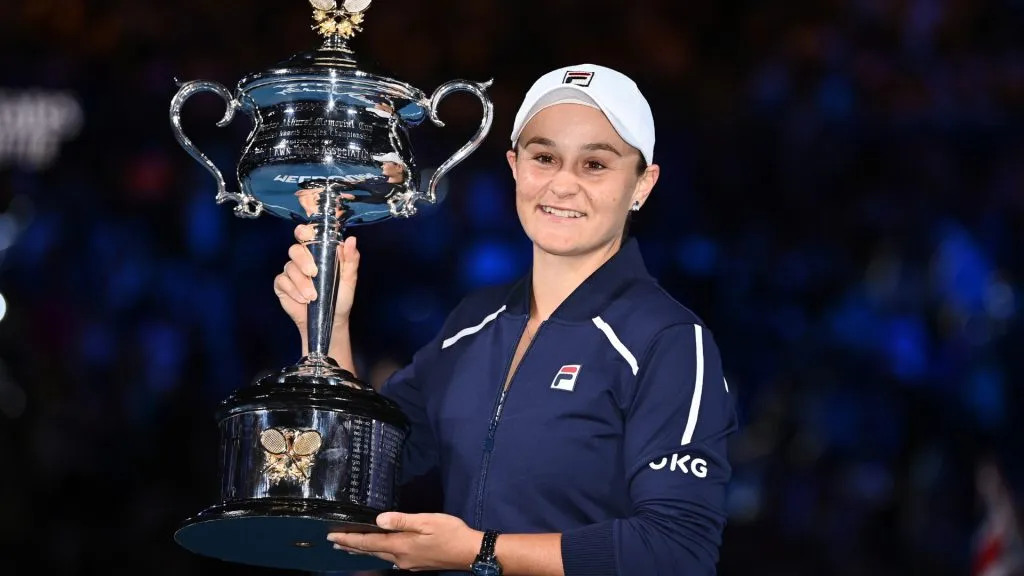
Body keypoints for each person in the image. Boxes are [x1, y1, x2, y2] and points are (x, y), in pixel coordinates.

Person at [274, 63, 739, 576]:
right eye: (545, 158)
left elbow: (678, 550)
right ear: (515, 166)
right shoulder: (474, 321)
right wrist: (327, 326)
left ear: (642, 185)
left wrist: (480, 551)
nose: (563, 185)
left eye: (595, 165)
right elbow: (362, 472)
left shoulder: (668, 340)